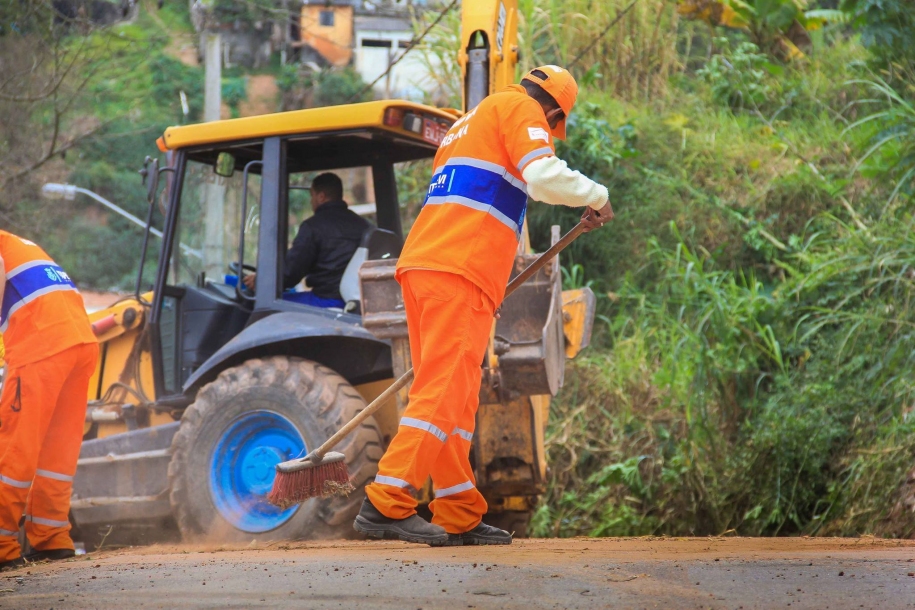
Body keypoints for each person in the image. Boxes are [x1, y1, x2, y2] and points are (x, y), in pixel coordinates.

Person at [353, 65, 614, 546]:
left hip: (431, 267)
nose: (551, 130)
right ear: (553, 111)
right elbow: (541, 176)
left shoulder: (466, 123)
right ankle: (387, 501)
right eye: (554, 125)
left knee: (457, 396)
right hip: (457, 271)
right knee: (442, 392)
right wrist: (596, 195)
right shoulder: (521, 108)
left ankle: (458, 511)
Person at [0, 230, 98, 570]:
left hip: (41, 346)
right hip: (80, 343)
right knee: (56, 452)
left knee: (15, 445)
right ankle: (52, 539)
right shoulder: (21, 244)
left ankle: (1, 544)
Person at [243, 172, 370, 308]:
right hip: (356, 302)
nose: (311, 201)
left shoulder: (313, 227)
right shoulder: (365, 226)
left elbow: (291, 272)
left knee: (257, 304)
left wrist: (260, 280)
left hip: (325, 300)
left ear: (321, 197)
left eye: (312, 196)